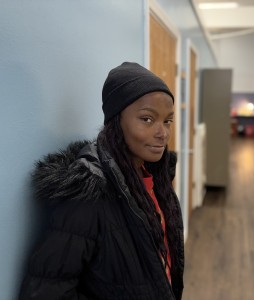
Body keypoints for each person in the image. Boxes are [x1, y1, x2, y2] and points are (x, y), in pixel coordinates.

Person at [19, 62, 184, 300]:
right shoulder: (88, 194)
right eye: (147, 119)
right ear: (116, 121)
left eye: (167, 121)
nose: (163, 133)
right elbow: (46, 292)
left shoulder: (157, 178)